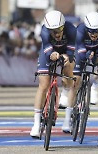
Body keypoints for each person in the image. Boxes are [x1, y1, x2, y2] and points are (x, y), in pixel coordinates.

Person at [60, 12, 98, 133]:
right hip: (81, 50)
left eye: (97, 31)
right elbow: (79, 51)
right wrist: (87, 56)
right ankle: (67, 120)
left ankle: (94, 88)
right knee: (76, 82)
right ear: (86, 28)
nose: (94, 34)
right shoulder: (80, 29)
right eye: (91, 31)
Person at [30, 10, 76, 138]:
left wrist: (67, 56)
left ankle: (65, 93)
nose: (56, 34)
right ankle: (36, 123)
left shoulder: (71, 29)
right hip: (48, 53)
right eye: (53, 31)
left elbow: (72, 48)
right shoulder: (44, 30)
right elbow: (47, 49)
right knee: (43, 86)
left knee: (69, 65)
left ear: (64, 26)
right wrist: (52, 54)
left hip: (65, 51)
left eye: (59, 30)